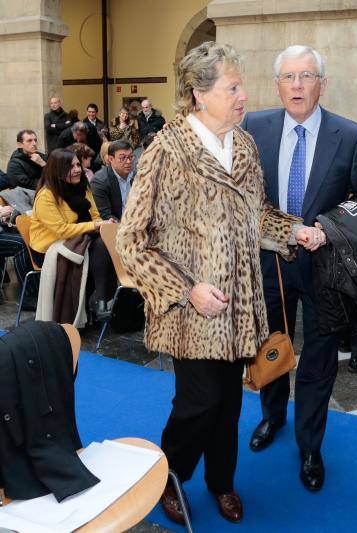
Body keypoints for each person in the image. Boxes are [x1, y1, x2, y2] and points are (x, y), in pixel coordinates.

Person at [116, 41, 323, 526]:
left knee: (228, 403)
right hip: (191, 311)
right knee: (198, 402)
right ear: (198, 94)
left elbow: (259, 217)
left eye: (241, 86)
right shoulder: (167, 150)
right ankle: (168, 474)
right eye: (232, 87)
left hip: (240, 309)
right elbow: (132, 240)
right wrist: (186, 289)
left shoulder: (245, 145)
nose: (243, 96)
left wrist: (293, 231)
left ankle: (221, 482)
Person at [242, 44, 357, 492]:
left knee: (319, 359)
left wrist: (328, 226)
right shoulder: (255, 127)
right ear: (277, 84)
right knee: (270, 344)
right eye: (288, 77)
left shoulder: (350, 134)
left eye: (306, 76)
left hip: (326, 268)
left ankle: (310, 444)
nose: (297, 85)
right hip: (271, 263)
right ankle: (272, 416)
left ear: (322, 84)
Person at [29, 149, 117, 319]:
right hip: (50, 247)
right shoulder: (46, 196)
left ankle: (101, 300)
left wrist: (102, 225)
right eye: (71, 167)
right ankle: (101, 300)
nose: (78, 169)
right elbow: (62, 230)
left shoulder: (83, 187)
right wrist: (96, 225)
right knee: (101, 247)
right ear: (58, 170)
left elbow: (95, 216)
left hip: (79, 239)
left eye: (78, 164)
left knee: (108, 241)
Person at [90, 140, 134, 221]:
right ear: (111, 159)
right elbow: (106, 215)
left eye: (131, 157)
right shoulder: (100, 181)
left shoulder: (137, 176)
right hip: (118, 227)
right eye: (122, 158)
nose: (128, 162)